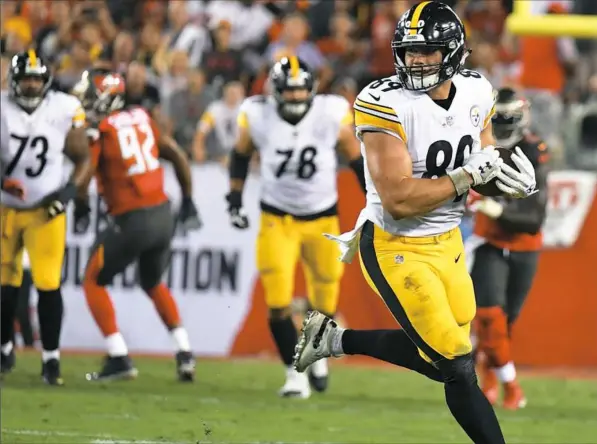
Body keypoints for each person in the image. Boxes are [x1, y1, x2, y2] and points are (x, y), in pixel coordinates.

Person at [293, 2, 537, 443]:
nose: (416, 60)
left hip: (447, 240)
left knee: (444, 356)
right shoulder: (383, 101)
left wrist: (509, 185)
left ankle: (334, 340)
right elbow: (400, 199)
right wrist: (468, 177)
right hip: (394, 242)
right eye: (409, 51)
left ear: (454, 52)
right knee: (459, 365)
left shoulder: (477, 92)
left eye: (428, 51)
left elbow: (483, 168)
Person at [226, 56, 366, 399]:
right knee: (276, 302)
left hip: (322, 218)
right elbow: (241, 154)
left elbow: (354, 155)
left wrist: (374, 201)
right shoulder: (256, 113)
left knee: (325, 299)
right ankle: (294, 373)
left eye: (301, 91)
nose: (294, 98)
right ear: (275, 92)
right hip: (278, 218)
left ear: (313, 90)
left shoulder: (330, 111)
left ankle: (316, 353)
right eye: (288, 92)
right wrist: (233, 199)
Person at [71, 69, 202, 382]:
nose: (85, 101)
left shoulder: (101, 128)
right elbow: (176, 154)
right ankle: (184, 353)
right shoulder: (142, 116)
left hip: (132, 218)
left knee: (92, 279)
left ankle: (118, 356)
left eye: (89, 96)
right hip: (162, 214)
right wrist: (188, 199)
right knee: (153, 281)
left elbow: (86, 171)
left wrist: (81, 203)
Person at [0, 50, 91, 385]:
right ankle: (4, 346)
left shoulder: (63, 108)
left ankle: (51, 359)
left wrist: (68, 196)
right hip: (6, 208)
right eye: (26, 78)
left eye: (37, 78)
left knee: (48, 284)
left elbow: (83, 159)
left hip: (44, 210)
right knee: (5, 287)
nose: (31, 84)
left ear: (46, 81)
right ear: (14, 80)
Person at [468, 87, 549, 410]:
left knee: (507, 321)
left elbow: (534, 217)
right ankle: (509, 385)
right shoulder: (477, 145)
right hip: (489, 241)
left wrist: (497, 210)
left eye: (507, 119)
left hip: (524, 246)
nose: (502, 125)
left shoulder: (533, 150)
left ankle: (490, 375)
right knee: (489, 317)